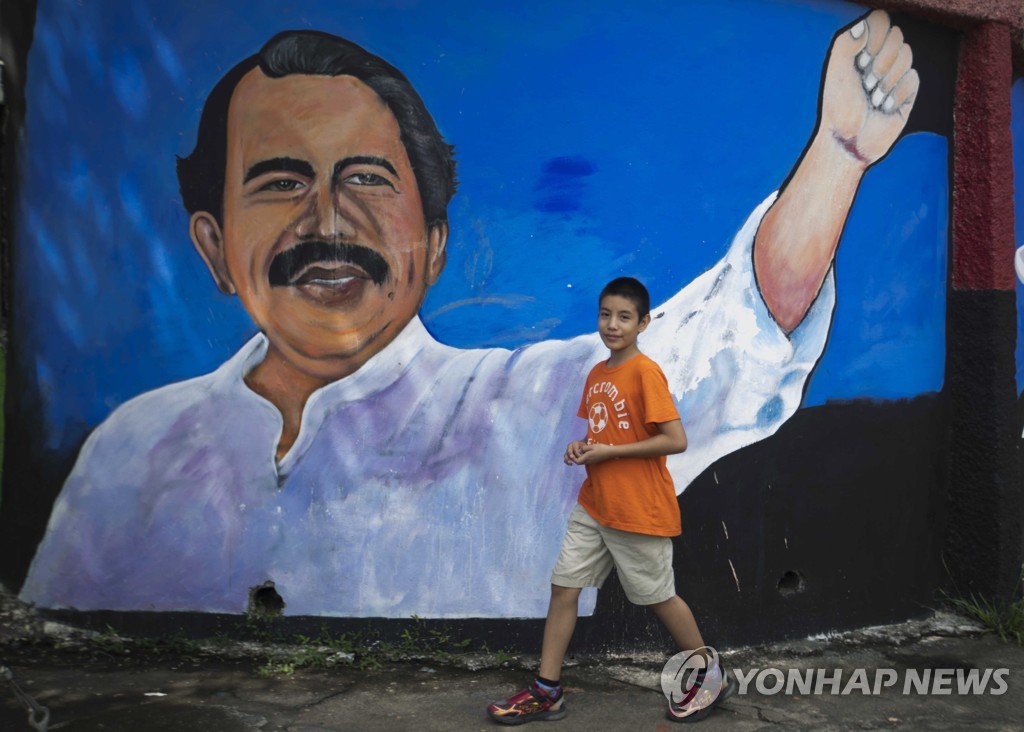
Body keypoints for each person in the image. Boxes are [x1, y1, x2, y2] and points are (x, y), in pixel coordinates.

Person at [20, 11, 919, 618]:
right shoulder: (130, 455)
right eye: (280, 181)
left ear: (436, 242)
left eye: (367, 179)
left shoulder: (530, 417)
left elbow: (731, 342)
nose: (327, 221)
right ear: (215, 246)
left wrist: (837, 157)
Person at [487, 278, 735, 725]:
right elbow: (606, 433)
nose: (612, 324)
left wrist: (609, 453)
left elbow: (674, 439)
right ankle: (547, 691)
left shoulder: (645, 372)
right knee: (564, 588)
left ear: (643, 322)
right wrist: (582, 448)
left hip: (638, 511)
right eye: (605, 314)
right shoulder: (599, 374)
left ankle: (708, 675)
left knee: (659, 597)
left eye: (624, 317)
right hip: (595, 505)